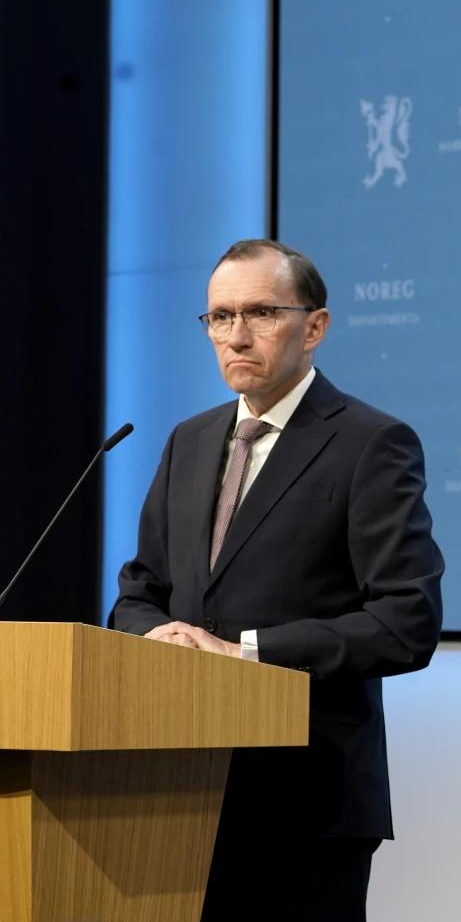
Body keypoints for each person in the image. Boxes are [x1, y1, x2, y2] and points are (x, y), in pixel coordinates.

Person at [111, 239, 444, 921]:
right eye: (219, 317)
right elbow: (138, 595)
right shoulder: (189, 441)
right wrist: (161, 635)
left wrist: (247, 653)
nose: (236, 336)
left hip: (307, 798)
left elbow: (405, 622)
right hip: (175, 787)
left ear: (314, 327)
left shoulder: (370, 444)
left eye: (260, 313)